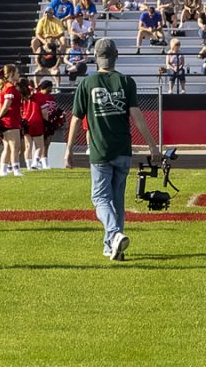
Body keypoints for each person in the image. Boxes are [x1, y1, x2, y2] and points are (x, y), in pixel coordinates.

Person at [65, 37, 156, 263]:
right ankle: (112, 247)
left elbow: (76, 119)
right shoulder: (126, 81)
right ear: (116, 56)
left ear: (96, 58)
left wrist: (68, 150)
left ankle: (115, 235)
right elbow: (137, 117)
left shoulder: (87, 84)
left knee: (100, 199)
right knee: (117, 200)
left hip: (100, 150)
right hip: (123, 148)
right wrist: (152, 145)